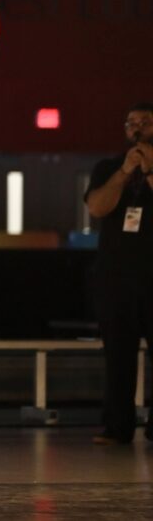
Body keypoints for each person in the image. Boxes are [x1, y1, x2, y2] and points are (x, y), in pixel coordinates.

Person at [85, 102, 153, 445]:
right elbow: (97, 207)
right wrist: (126, 172)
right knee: (118, 355)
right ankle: (117, 426)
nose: (137, 127)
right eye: (131, 122)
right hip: (116, 278)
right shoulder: (109, 167)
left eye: (144, 121)